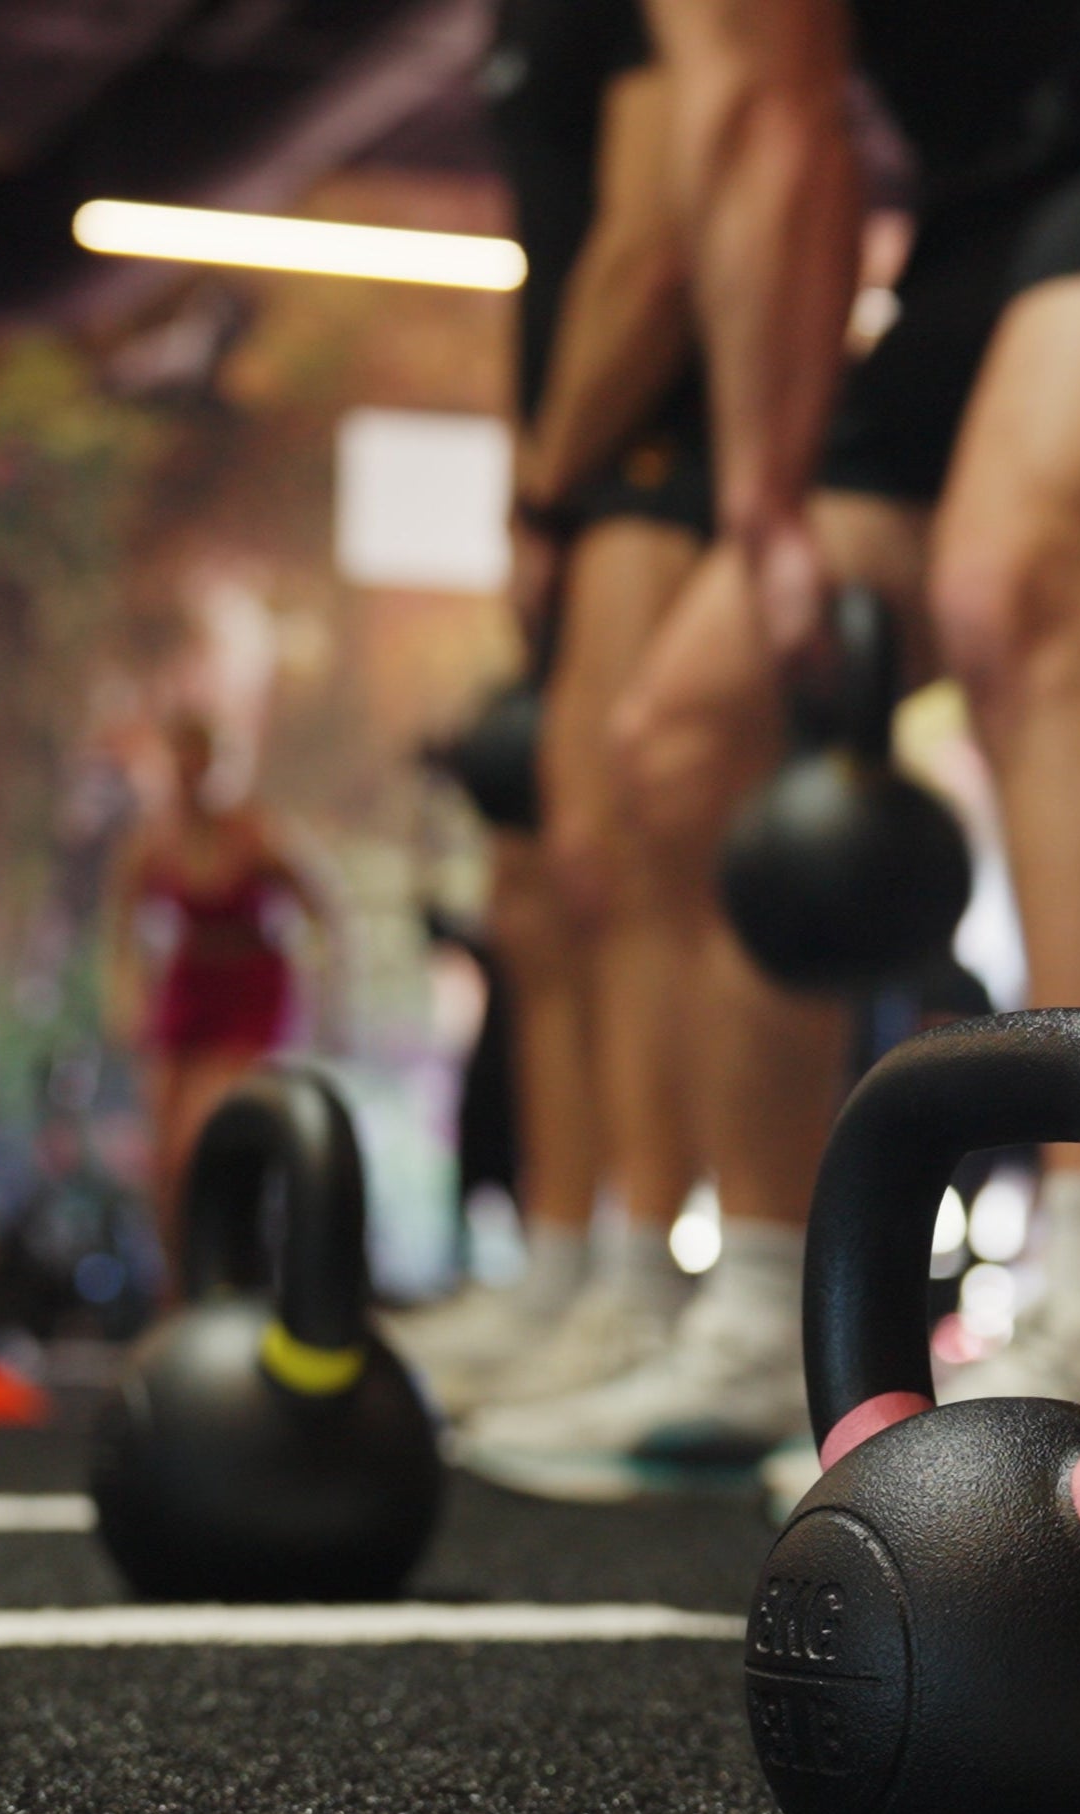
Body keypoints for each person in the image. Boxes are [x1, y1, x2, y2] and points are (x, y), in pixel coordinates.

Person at [459, 0, 1080, 1493]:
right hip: (998, 199)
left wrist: (764, 508)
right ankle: (764, 1312)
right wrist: (772, 517)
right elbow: (789, 137)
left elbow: (776, 134)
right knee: (688, 733)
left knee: (1020, 594)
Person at [390, 0, 722, 1416]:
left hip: (657, 439)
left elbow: (655, 243)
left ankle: (646, 1287)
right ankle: (566, 1268)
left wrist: (547, 479)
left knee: (622, 864)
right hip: (585, 467)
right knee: (537, 892)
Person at [103, 715, 327, 1276]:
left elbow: (319, 905)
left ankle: (224, 1273)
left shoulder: (252, 833)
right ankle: (177, 1283)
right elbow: (121, 931)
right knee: (162, 1160)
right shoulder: (152, 842)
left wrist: (322, 986)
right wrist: (127, 993)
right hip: (188, 990)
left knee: (194, 1144)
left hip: (248, 991)